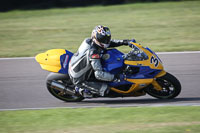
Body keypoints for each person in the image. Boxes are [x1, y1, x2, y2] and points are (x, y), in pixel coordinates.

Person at [68, 25, 135, 97]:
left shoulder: (89, 41)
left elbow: (110, 43)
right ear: (95, 37)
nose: (105, 41)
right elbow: (99, 74)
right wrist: (115, 77)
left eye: (106, 38)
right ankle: (80, 89)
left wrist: (125, 42)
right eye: (102, 39)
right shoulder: (94, 53)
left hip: (78, 64)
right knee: (106, 89)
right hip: (79, 78)